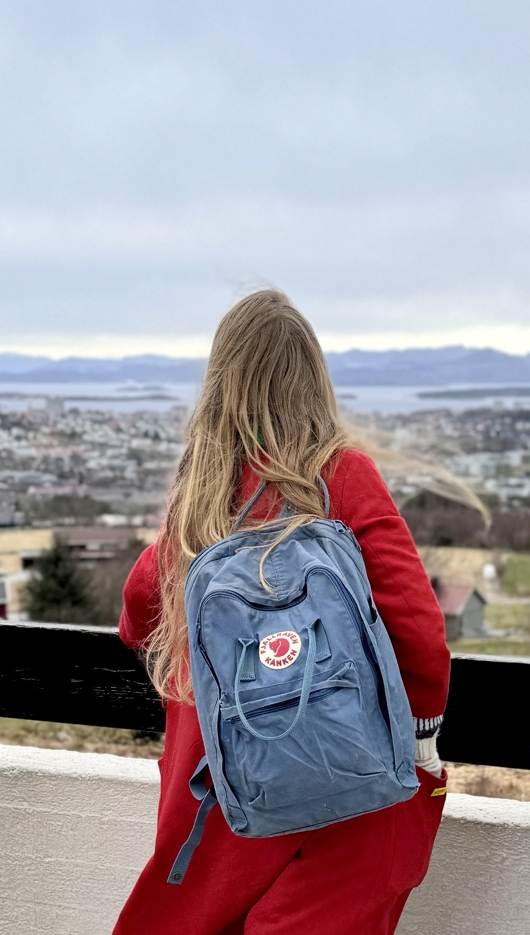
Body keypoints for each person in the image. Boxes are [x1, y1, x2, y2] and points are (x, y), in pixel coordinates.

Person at [113, 290, 452, 935]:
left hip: (223, 788)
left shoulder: (203, 490)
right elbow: (418, 628)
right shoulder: (343, 475)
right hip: (344, 783)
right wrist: (423, 736)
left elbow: (137, 612)